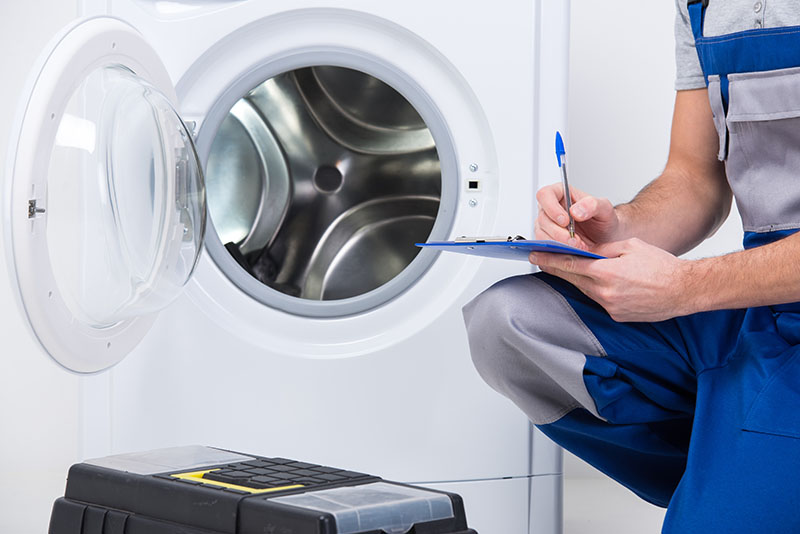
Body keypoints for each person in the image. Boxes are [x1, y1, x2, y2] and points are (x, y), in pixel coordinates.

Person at [463, 1, 800, 531]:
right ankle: (732, 467)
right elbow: (694, 177)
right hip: (758, 312)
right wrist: (618, 225)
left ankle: (742, 474)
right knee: (510, 321)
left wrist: (687, 287)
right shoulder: (702, 7)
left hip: (766, 309)